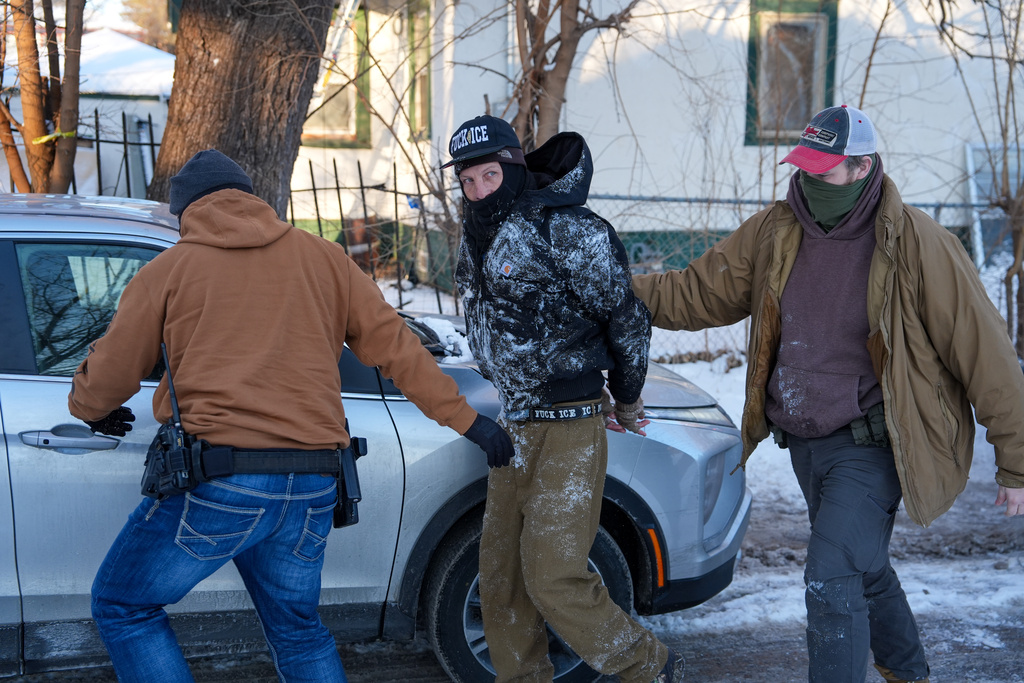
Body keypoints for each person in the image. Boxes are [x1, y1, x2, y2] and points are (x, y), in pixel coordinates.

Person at [67, 149, 513, 683]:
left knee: (123, 606)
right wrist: (470, 421)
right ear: (254, 199)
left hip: (223, 483)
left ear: (183, 212)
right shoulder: (325, 258)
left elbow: (112, 373)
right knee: (297, 630)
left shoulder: (170, 269)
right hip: (313, 484)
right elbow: (399, 350)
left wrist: (89, 408)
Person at [631, 104, 1024, 683]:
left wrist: (1015, 461)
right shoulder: (777, 229)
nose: (810, 182)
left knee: (830, 571)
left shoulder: (916, 242)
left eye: (824, 171)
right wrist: (614, 291)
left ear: (863, 168)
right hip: (806, 439)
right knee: (863, 568)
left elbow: (983, 349)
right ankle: (909, 672)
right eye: (804, 169)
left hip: (876, 439)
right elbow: (697, 293)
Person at [444, 115, 685, 683]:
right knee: (501, 579)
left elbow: (627, 321)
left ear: (513, 167)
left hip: (569, 424)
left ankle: (648, 667)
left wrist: (625, 398)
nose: (479, 191)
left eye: (488, 176)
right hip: (515, 421)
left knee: (553, 575)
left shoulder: (570, 230)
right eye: (467, 181)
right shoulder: (477, 234)